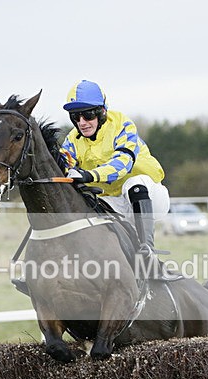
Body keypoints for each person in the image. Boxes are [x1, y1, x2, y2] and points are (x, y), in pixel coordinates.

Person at [59, 80, 170, 275]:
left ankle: (148, 252)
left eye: (88, 114)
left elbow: (122, 164)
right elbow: (62, 164)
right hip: (113, 201)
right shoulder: (72, 139)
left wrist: (88, 175)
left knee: (134, 183)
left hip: (150, 196)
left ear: (102, 112)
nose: (82, 122)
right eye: (75, 116)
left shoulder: (122, 125)